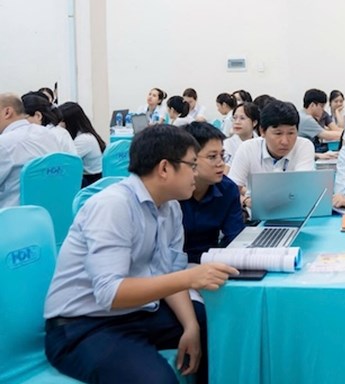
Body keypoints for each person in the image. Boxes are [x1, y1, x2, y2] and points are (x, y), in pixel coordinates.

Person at [43, 125, 239, 384]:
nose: (196, 174)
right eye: (192, 165)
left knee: (217, 327)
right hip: (82, 326)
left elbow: (169, 270)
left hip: (137, 313)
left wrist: (190, 327)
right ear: (165, 168)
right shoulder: (113, 206)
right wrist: (190, 279)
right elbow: (110, 293)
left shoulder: (169, 208)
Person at [228, 100, 315, 206]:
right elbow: (230, 191)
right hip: (256, 215)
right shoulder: (247, 148)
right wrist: (246, 201)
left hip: (295, 210)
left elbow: (302, 186)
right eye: (278, 133)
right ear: (262, 131)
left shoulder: (304, 146)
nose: (285, 141)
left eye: (291, 133)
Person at [179, 122, 244, 264]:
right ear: (190, 158)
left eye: (222, 155)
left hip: (212, 264)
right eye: (212, 157)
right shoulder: (172, 192)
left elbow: (234, 238)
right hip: (173, 270)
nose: (220, 163)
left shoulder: (227, 189)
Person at [0, 93, 62, 208]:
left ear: (7, 112)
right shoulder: (48, 134)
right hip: (50, 215)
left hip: (11, 218)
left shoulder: (4, 143)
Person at [60, 101, 107, 187]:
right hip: (92, 178)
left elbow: (66, 161)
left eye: (61, 121)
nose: (59, 125)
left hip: (91, 181)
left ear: (70, 122)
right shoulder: (85, 134)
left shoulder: (83, 139)